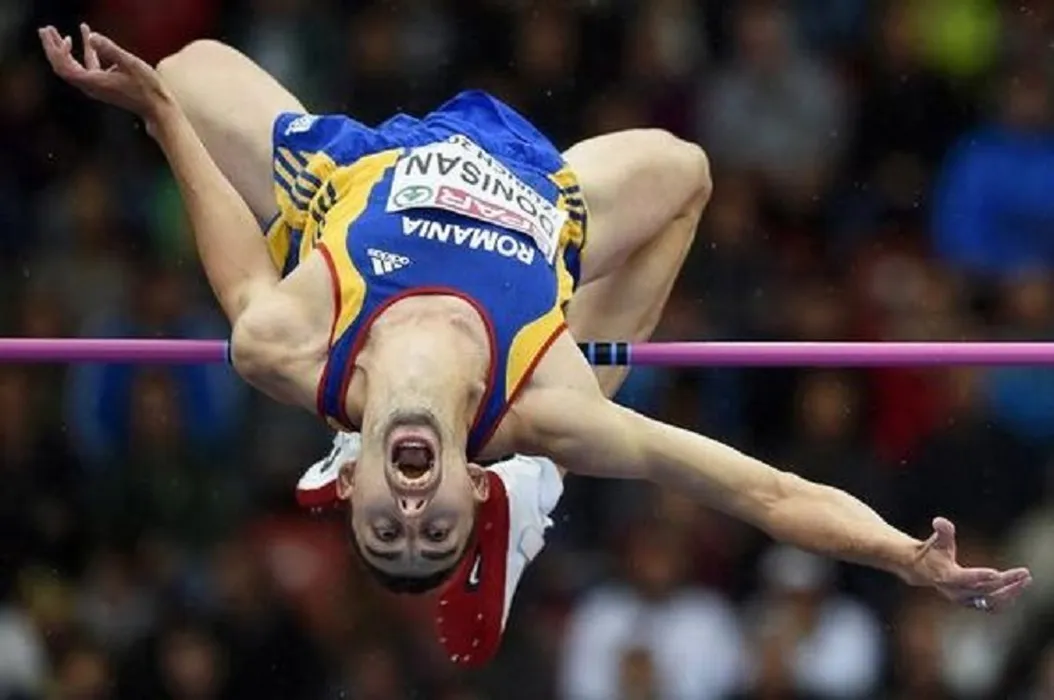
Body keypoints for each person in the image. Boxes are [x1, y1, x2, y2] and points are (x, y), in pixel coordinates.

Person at [40, 24, 1031, 666]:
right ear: (472, 488)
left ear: (354, 481)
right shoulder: (545, 403)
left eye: (388, 527)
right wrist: (901, 556)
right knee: (684, 172)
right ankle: (558, 441)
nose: (414, 514)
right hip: (532, 194)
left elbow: (233, 263)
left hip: (354, 174)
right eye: (436, 533)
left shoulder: (290, 348)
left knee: (185, 68)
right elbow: (765, 492)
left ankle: (544, 442)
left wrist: (161, 115)